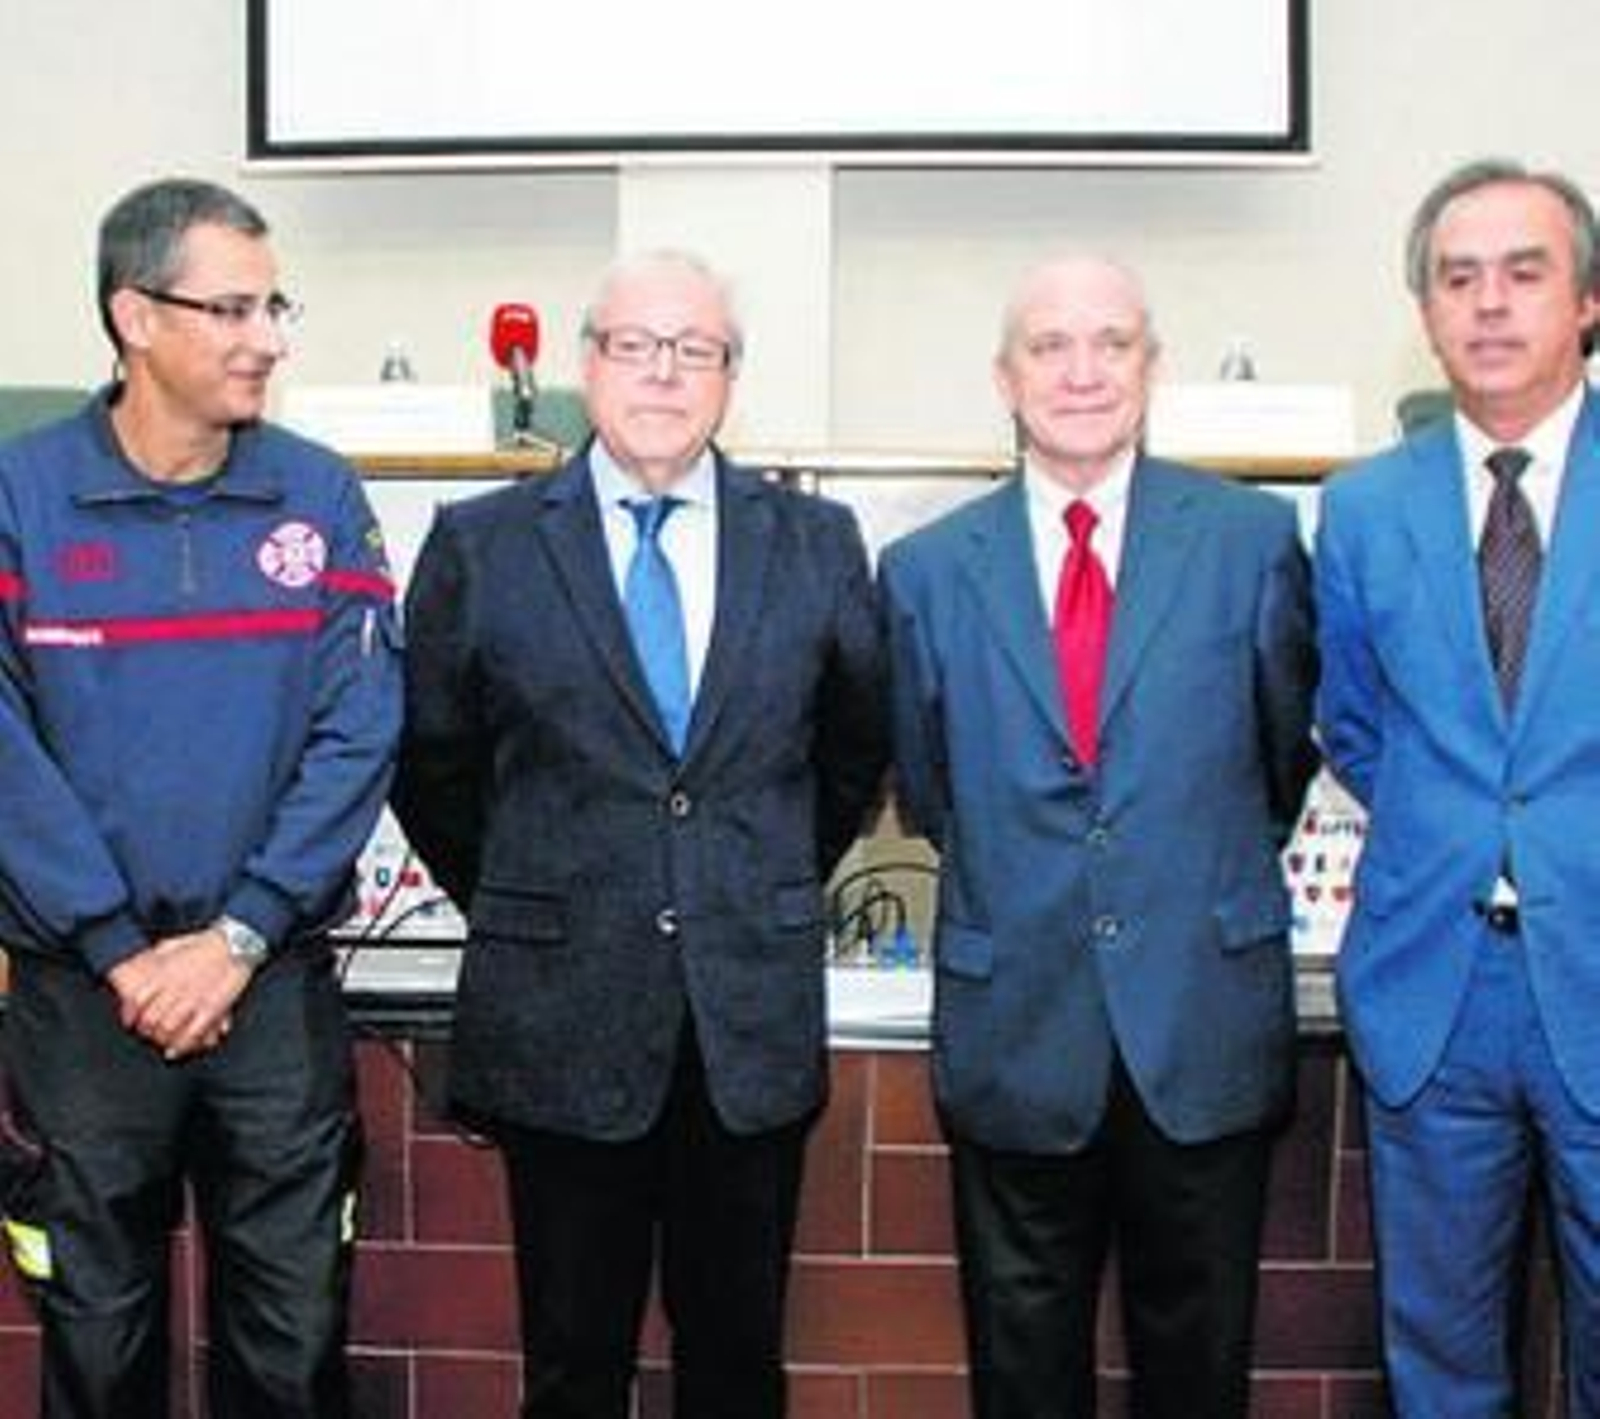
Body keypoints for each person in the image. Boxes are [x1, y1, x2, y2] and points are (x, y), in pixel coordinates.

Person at [392, 249, 888, 1419]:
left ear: (729, 376)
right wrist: (539, 897)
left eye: (695, 349)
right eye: (635, 345)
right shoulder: (484, 543)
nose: (664, 373)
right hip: (561, 1020)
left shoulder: (814, 544)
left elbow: (851, 754)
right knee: (572, 1367)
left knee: (736, 1367)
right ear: (585, 363)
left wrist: (743, 887)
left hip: (745, 1030)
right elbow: (435, 766)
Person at [880, 255, 1317, 1419]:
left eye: (1111, 343)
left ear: (1151, 365)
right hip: (1018, 1019)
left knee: (1197, 1368)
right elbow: (926, 791)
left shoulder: (1251, 540)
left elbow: (1281, 761)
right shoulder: (923, 573)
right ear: (1004, 376)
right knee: (1021, 1372)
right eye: (1050, 346)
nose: (1081, 371)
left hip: (1200, 1020)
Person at [0, 178, 402, 1417]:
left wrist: (236, 938)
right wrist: (122, 950)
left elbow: (360, 729)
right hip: (80, 1005)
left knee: (289, 1350)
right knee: (97, 1345)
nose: (267, 336)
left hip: (268, 994)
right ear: (135, 315)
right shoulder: (20, 498)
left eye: (273, 304)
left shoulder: (318, 498)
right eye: (230, 307)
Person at [1316, 158, 1600, 1415]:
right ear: (1425, 311)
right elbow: (1353, 724)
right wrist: (1462, 828)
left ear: (1586, 302)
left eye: (1524, 273)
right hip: (1432, 988)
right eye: (1456, 277)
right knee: (1435, 1361)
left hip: (1594, 968)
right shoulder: (1361, 509)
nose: (1488, 303)